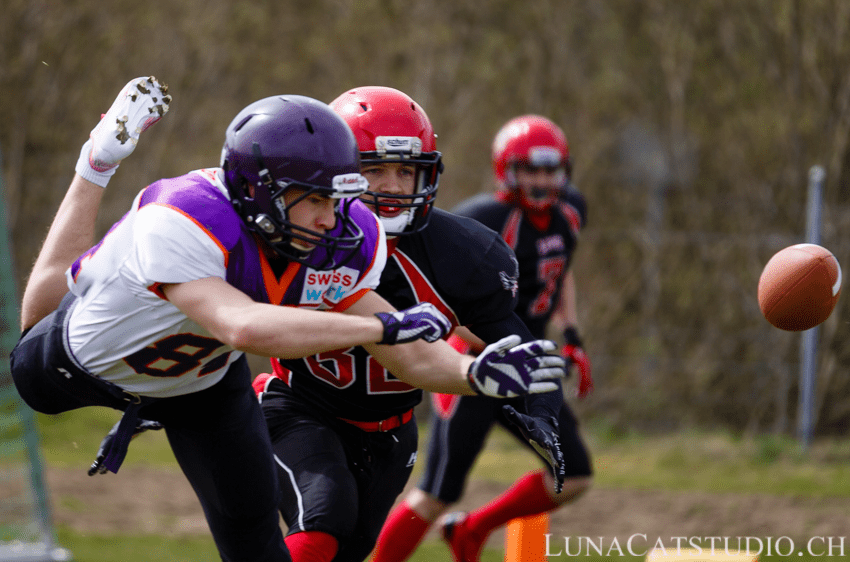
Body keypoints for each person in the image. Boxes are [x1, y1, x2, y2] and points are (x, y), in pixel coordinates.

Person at [10, 78, 564, 562]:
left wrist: (471, 374)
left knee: (259, 543)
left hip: (200, 385)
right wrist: (378, 327)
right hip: (83, 367)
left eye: (338, 198)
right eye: (315, 200)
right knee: (35, 347)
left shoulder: (344, 234)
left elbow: (409, 351)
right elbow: (244, 328)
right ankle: (96, 161)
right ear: (257, 192)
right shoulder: (182, 216)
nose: (333, 218)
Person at [252, 88, 570, 562]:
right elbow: (224, 311)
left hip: (392, 430)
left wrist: (543, 413)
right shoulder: (300, 235)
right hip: (300, 407)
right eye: (375, 170)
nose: (395, 186)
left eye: (406, 171)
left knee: (350, 550)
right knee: (323, 521)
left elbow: (521, 346)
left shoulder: (458, 253)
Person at [374, 114, 595, 562]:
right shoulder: (482, 219)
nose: (541, 181)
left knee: (573, 474)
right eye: (530, 169)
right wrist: (486, 351)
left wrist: (571, 334)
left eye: (550, 170)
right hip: (475, 364)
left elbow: (559, 271)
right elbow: (442, 295)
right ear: (507, 170)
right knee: (436, 493)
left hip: (529, 363)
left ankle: (472, 530)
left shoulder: (570, 211)